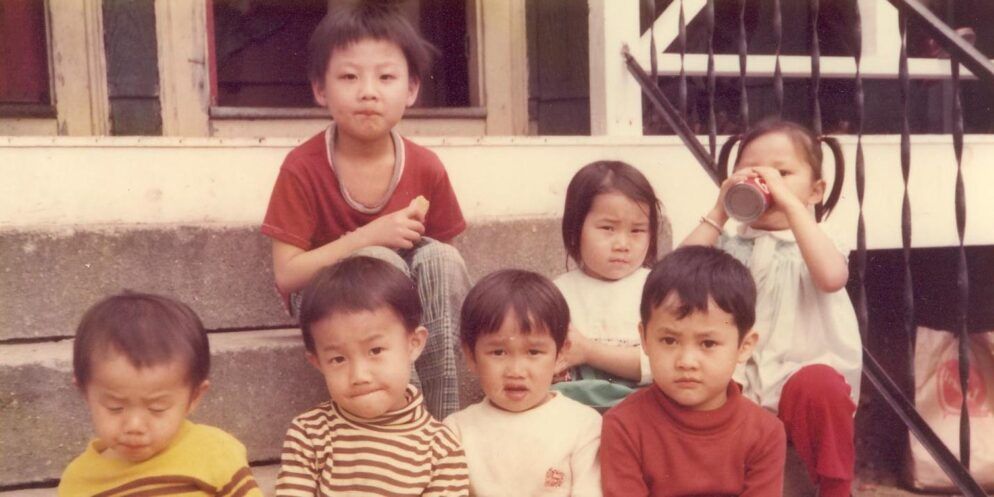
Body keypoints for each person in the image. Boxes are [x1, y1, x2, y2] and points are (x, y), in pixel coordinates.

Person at [261, 1, 469, 419]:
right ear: (321, 89)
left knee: (440, 259)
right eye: (349, 77)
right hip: (329, 302)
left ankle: (440, 424)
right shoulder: (302, 167)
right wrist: (368, 238)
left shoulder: (426, 165)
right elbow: (287, 274)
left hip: (404, 307)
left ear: (411, 89)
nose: (368, 91)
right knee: (374, 259)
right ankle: (395, 425)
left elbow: (445, 270)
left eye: (386, 77)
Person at [683, 118, 862, 497]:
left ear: (815, 190)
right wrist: (719, 211)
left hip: (803, 372)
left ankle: (835, 487)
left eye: (782, 172)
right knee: (703, 388)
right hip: (739, 375)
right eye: (752, 171)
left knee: (822, 387)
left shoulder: (820, 240)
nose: (768, 182)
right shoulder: (732, 243)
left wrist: (793, 206)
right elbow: (678, 274)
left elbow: (831, 277)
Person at [600, 246, 786, 496]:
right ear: (644, 338)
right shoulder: (623, 426)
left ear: (744, 346)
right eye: (669, 340)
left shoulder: (765, 432)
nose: (686, 361)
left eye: (708, 343)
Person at [275, 256, 469, 496]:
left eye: (375, 351)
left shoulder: (441, 448)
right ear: (317, 362)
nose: (359, 375)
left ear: (413, 344)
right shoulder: (310, 434)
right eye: (338, 359)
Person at [59, 293, 262, 497]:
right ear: (85, 392)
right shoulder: (79, 481)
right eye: (115, 407)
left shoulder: (215, 452)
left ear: (194, 397)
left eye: (157, 408)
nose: (134, 426)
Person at [444, 269, 602, 497]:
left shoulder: (583, 426)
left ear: (560, 355)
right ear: (470, 356)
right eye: (498, 352)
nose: (516, 371)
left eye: (534, 352)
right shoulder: (456, 431)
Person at [551, 160, 662, 408]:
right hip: (577, 408)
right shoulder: (557, 294)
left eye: (637, 231)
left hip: (646, 407)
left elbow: (661, 363)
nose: (622, 243)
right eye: (608, 228)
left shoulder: (658, 289)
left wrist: (588, 351)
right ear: (575, 229)